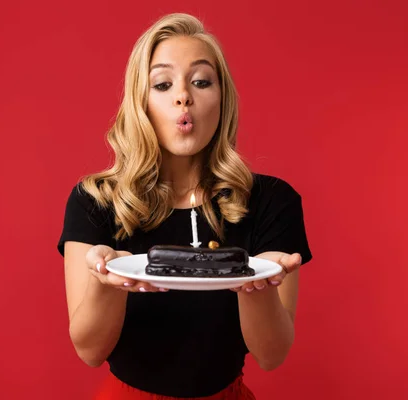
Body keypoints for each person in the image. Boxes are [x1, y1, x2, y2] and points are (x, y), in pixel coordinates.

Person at [57, 13, 312, 400]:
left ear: (221, 98)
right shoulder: (95, 201)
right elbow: (90, 351)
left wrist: (258, 283)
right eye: (163, 84)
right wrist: (106, 283)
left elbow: (272, 355)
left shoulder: (272, 201)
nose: (183, 96)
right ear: (140, 102)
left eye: (201, 81)